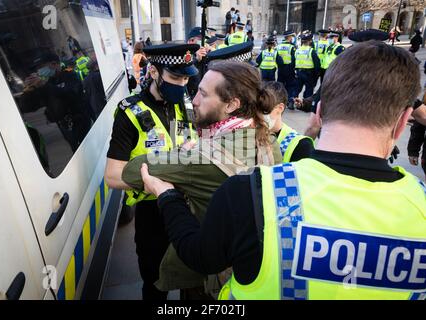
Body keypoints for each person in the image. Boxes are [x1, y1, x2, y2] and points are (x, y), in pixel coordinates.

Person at [140, 40, 426, 300]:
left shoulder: (252, 192)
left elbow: (200, 256)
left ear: (320, 111)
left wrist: (167, 196)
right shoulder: (421, 207)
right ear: (402, 122)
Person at [121, 59, 282, 299]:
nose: (194, 100)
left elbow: (132, 171)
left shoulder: (197, 157)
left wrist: (182, 152)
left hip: (212, 280)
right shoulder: (268, 141)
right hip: (255, 270)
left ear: (232, 104)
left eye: (203, 94)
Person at [104, 43, 200, 300]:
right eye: (175, 77)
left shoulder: (185, 104)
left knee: (190, 280)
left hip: (188, 207)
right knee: (155, 283)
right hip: (153, 213)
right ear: (155, 72)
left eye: (186, 77)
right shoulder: (129, 113)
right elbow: (112, 176)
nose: (182, 84)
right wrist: (153, 180)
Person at [20, 52, 91, 152]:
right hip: (65, 127)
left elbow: (71, 95)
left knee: (89, 150)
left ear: (54, 64)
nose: (39, 71)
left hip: (81, 123)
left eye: (41, 67)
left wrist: (44, 85)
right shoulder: (47, 83)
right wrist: (28, 90)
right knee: (77, 151)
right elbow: (26, 107)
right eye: (37, 68)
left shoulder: (70, 75)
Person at [264, 81, 314, 162]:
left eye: (264, 110)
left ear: (280, 108)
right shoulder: (247, 135)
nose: (257, 115)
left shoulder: (300, 145)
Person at [295, 33, 320, 100]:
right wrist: (317, 74)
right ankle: (306, 103)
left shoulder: (297, 50)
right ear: (310, 41)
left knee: (297, 89)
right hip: (309, 74)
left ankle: (292, 102)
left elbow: (294, 61)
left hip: (299, 73)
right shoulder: (311, 51)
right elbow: (317, 64)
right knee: (309, 89)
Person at [276, 30, 298, 110]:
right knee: (291, 86)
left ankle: (278, 101)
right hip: (289, 68)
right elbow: (294, 59)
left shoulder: (278, 46)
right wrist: (294, 69)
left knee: (280, 85)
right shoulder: (292, 47)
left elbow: (276, 57)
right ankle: (290, 102)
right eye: (291, 36)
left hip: (281, 68)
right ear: (289, 37)